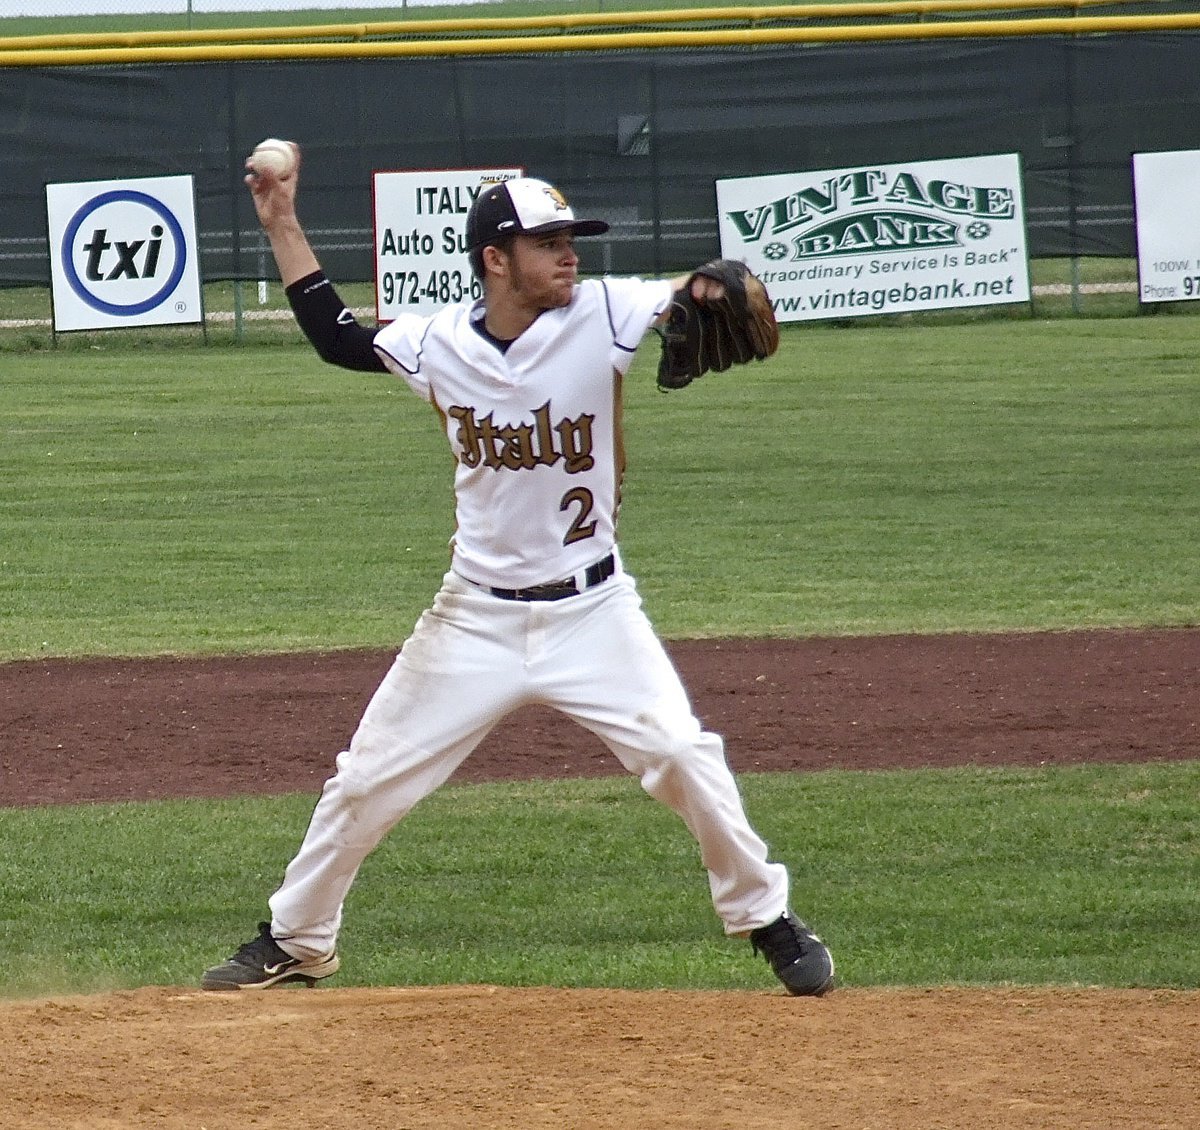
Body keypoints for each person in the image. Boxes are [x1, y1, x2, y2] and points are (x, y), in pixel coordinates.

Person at [200, 147, 835, 997]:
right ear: (496, 260)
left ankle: (767, 919)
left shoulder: (605, 311)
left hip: (595, 609)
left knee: (683, 753)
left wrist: (709, 291)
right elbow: (336, 335)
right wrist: (281, 221)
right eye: (547, 242)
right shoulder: (437, 344)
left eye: (571, 238)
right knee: (364, 784)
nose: (569, 253)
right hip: (473, 618)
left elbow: (694, 296)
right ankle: (298, 940)